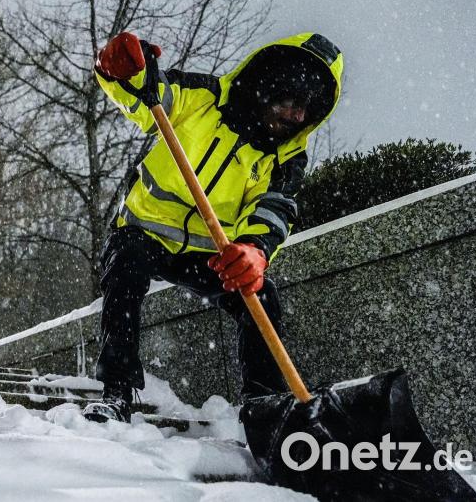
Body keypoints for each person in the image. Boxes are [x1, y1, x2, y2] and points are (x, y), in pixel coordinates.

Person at [84, 32, 342, 422]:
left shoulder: (285, 159)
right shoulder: (202, 97)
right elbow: (144, 93)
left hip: (210, 254)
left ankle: (263, 408)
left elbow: (273, 209)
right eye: (290, 101)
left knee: (262, 299)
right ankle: (116, 391)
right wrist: (120, 69)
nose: (296, 116)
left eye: (306, 109)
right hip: (144, 232)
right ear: (268, 86)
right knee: (126, 266)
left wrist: (254, 250)